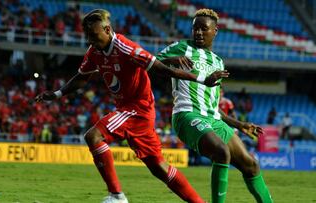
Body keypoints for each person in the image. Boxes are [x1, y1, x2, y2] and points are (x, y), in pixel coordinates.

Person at [35, 9, 228, 203]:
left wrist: (202, 79)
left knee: (93, 136)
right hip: (133, 111)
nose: (90, 40)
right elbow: (82, 77)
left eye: (93, 35)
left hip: (137, 108)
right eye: (87, 36)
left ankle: (117, 196)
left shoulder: (126, 48)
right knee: (159, 168)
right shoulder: (95, 51)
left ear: (107, 29)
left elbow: (162, 69)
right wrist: (58, 93)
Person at [157, 8, 273, 203]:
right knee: (221, 152)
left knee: (251, 164)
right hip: (187, 115)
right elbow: (150, 63)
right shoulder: (181, 47)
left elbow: (213, 107)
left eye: (204, 29)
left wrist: (239, 124)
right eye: (195, 29)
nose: (199, 33)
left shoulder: (218, 62)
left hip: (212, 118)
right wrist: (171, 60)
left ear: (215, 31)